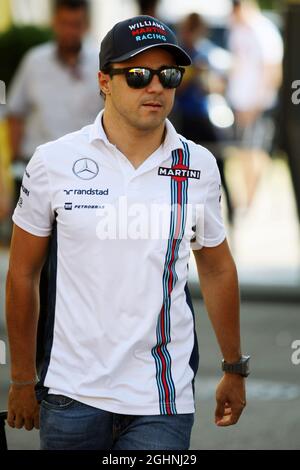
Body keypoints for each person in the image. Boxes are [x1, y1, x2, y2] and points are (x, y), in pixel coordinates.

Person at [6, 15, 249, 450]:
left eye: (169, 75)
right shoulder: (52, 162)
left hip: (162, 400)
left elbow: (216, 270)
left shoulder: (199, 167)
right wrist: (23, 379)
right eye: (138, 75)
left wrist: (234, 367)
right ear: (105, 80)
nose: (155, 87)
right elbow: (23, 274)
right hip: (70, 395)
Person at [6, 0, 102, 206]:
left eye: (75, 24)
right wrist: (15, 165)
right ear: (54, 23)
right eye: (64, 23)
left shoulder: (100, 64)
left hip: (85, 171)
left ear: (85, 25)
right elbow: (15, 112)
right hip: (37, 169)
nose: (69, 31)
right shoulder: (34, 61)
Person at [227, 0, 283, 210]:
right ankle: (247, 200)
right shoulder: (237, 30)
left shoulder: (264, 30)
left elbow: (272, 70)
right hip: (240, 103)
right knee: (243, 152)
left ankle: (253, 201)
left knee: (255, 151)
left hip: (258, 105)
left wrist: (257, 104)